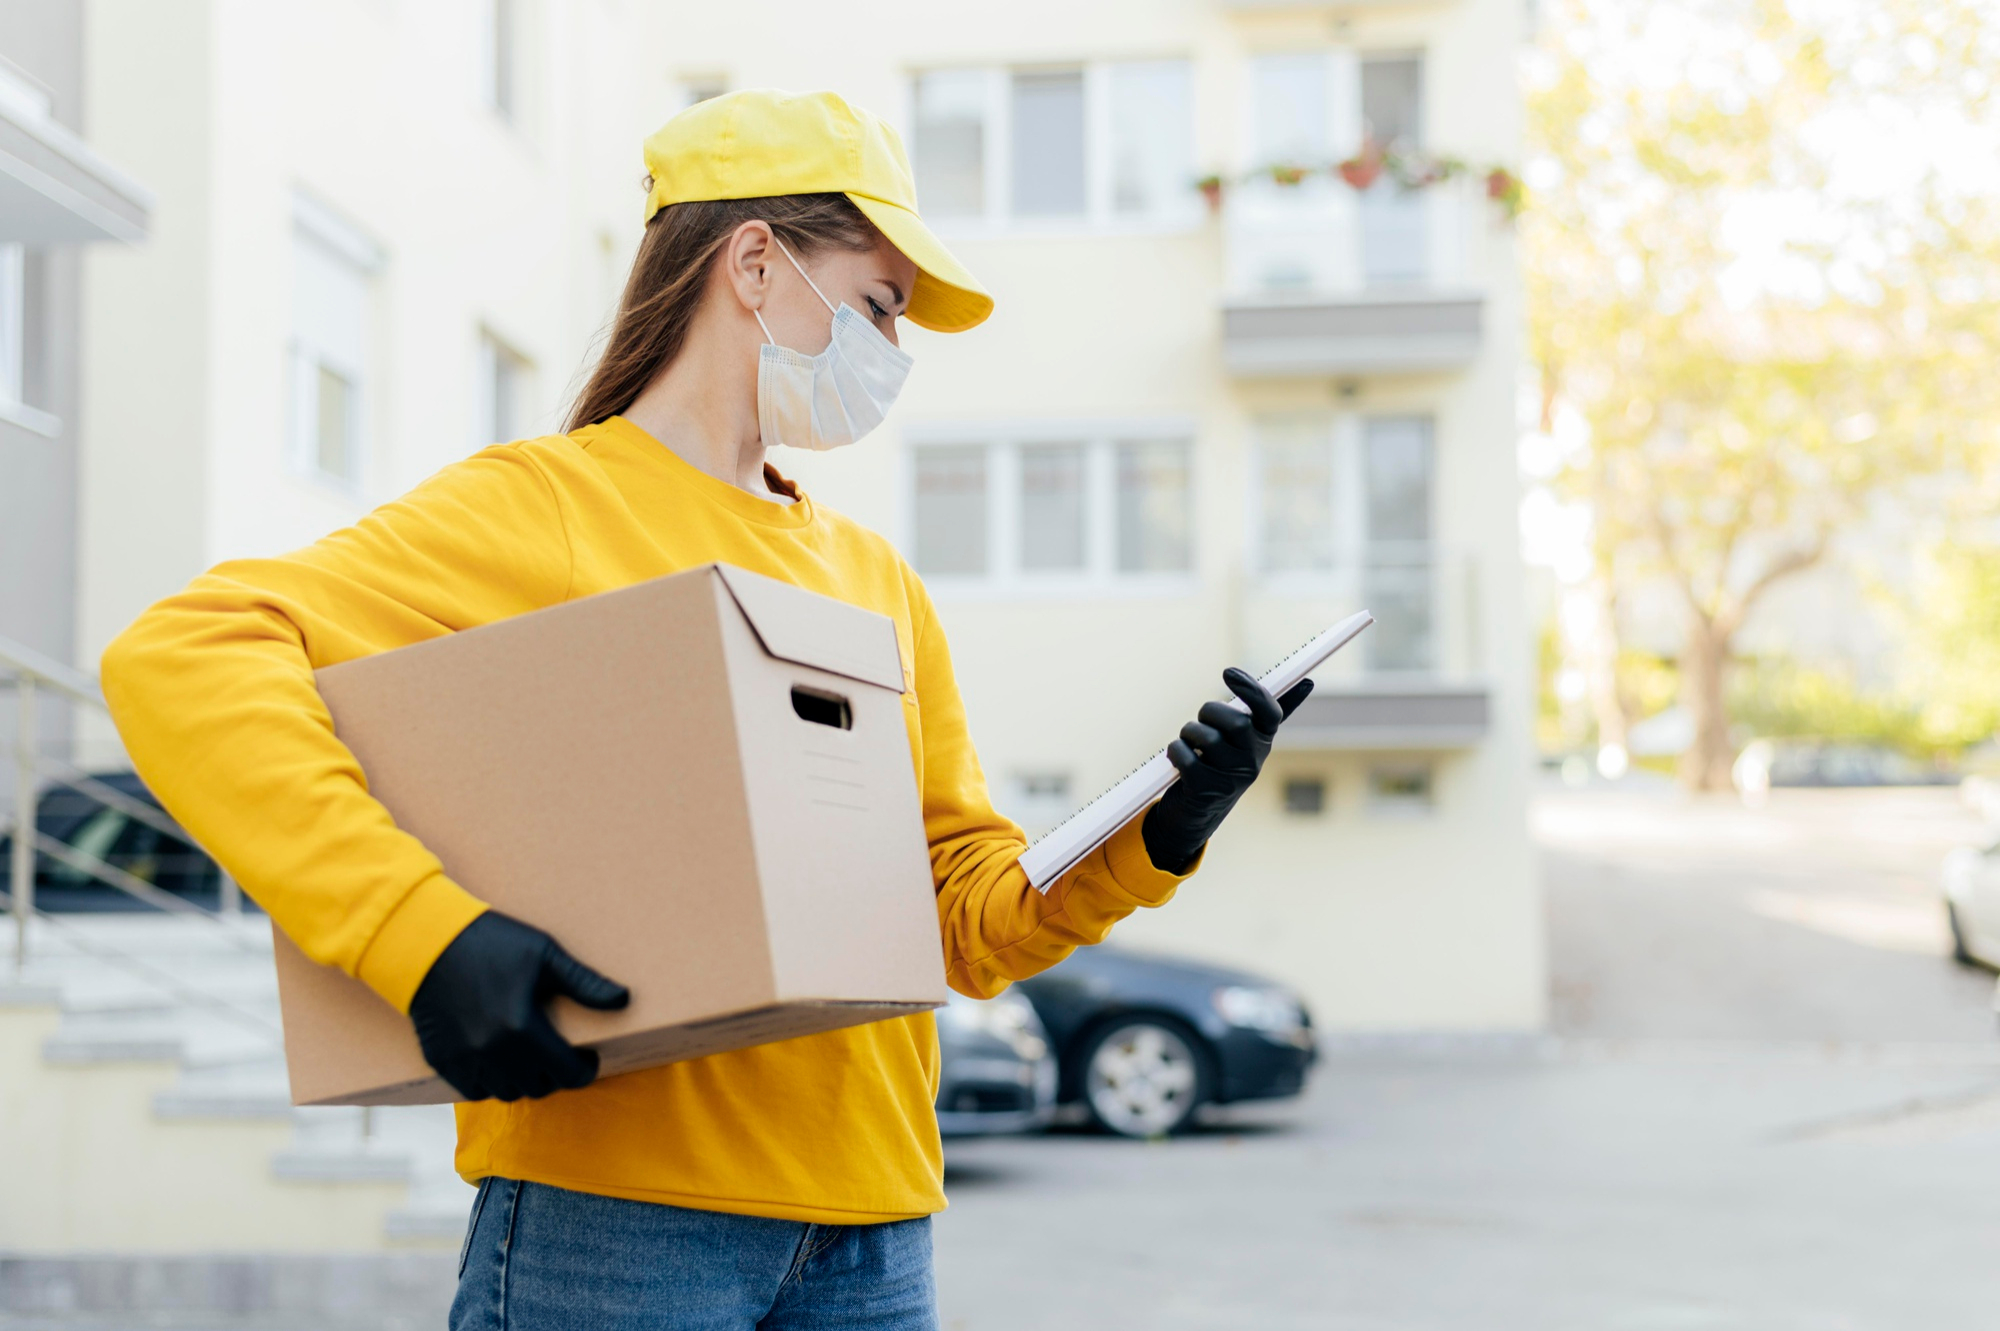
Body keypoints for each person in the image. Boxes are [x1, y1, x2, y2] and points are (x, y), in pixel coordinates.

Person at [101, 89, 1312, 1331]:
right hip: (616, 1225)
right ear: (753, 261)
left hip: (875, 1228)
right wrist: (419, 934)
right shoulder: (550, 506)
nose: (891, 350)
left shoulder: (871, 576)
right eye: (879, 305)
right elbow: (184, 653)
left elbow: (960, 922)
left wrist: (1158, 832)